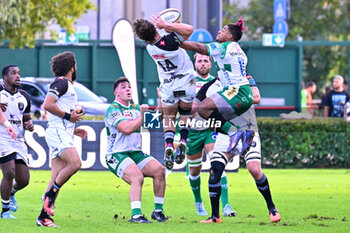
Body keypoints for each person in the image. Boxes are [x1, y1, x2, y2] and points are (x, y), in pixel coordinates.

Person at [153, 16, 255, 156]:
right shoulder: (238, 49)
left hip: (237, 91)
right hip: (243, 93)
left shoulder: (223, 47)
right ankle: (242, 135)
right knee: (211, 119)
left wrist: (176, 41)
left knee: (203, 109)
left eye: (223, 30)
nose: (219, 31)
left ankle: (236, 133)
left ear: (230, 36)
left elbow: (200, 48)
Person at [195, 74, 280, 224]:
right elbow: (196, 108)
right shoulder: (210, 85)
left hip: (247, 129)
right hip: (226, 133)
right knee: (215, 168)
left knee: (254, 169)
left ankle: (272, 208)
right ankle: (215, 216)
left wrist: (228, 102)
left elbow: (256, 97)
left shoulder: (246, 78)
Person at [132, 17, 195, 171]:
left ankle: (168, 145)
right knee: (185, 113)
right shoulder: (170, 42)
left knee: (169, 118)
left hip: (168, 86)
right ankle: (184, 141)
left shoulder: (149, 47)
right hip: (186, 82)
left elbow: (157, 37)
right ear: (155, 28)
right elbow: (189, 29)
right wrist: (167, 25)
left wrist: (169, 29)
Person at [36, 51, 87, 227]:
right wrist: (69, 117)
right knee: (75, 163)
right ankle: (49, 196)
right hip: (58, 132)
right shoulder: (61, 82)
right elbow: (47, 105)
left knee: (56, 175)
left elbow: (61, 114)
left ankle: (43, 217)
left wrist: (74, 129)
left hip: (62, 132)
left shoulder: (66, 84)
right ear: (72, 67)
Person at [105, 77, 166, 223]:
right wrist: (142, 115)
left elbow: (156, 120)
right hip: (116, 154)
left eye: (129, 87)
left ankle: (158, 211)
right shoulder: (113, 109)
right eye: (123, 87)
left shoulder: (135, 108)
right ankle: (136, 215)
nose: (128, 89)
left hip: (135, 153)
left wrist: (161, 102)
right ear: (116, 92)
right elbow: (126, 129)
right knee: (137, 177)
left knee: (160, 171)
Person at [185, 53, 236, 217]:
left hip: (211, 129)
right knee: (194, 171)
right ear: (195, 63)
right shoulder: (187, 81)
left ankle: (226, 206)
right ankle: (198, 202)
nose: (202, 64)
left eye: (206, 61)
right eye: (199, 61)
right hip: (193, 131)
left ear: (210, 63)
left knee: (217, 163)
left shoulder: (218, 82)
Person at [0, 65, 34, 219]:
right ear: (5, 77)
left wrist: (29, 124)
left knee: (23, 180)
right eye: (14, 73)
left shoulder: (25, 96)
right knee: (9, 172)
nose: (18, 76)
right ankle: (5, 211)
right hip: (2, 138)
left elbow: (26, 118)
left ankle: (11, 192)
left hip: (18, 140)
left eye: (19, 73)